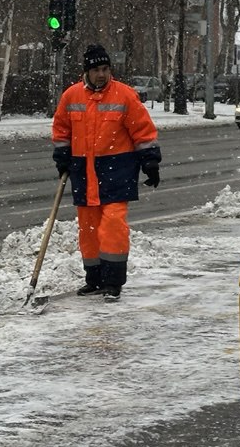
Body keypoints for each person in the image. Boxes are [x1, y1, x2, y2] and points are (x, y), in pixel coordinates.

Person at [51, 44, 160, 303]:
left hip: (117, 170)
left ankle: (113, 281)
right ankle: (94, 279)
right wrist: (62, 157)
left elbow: (143, 131)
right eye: (96, 69)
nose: (102, 74)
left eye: (105, 69)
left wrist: (150, 162)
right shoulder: (71, 96)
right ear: (86, 71)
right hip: (83, 171)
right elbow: (61, 129)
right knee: (88, 229)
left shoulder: (124, 96)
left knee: (112, 226)